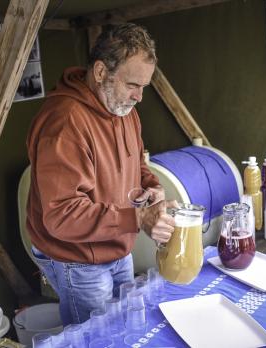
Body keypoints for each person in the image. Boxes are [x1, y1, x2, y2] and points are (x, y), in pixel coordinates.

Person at [26, 23, 175, 325]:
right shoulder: (65, 123)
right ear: (100, 72)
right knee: (95, 339)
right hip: (79, 259)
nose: (139, 97)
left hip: (117, 245)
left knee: (124, 329)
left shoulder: (124, 109)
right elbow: (61, 215)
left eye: (144, 87)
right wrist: (137, 218)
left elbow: (137, 164)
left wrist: (152, 187)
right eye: (133, 85)